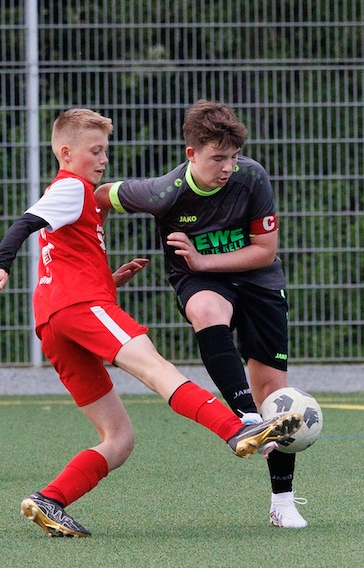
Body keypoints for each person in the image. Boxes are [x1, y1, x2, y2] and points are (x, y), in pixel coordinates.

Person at [0, 109, 301, 538]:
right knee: (157, 370)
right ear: (66, 153)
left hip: (55, 320)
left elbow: (65, 258)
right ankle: (238, 429)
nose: (104, 159)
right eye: (95, 151)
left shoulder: (76, 199)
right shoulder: (72, 187)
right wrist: (0, 265)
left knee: (119, 437)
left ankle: (49, 499)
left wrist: (106, 282)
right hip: (79, 308)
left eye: (105, 151)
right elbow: (25, 223)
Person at [95, 100, 307, 528]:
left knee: (276, 394)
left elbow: (265, 251)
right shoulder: (163, 192)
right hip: (200, 284)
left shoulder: (252, 177)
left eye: (233, 157)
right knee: (207, 309)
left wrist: (202, 260)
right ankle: (247, 417)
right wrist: (96, 265)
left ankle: (282, 503)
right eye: (217, 158)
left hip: (259, 281)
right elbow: (98, 197)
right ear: (191, 153)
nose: (227, 167)